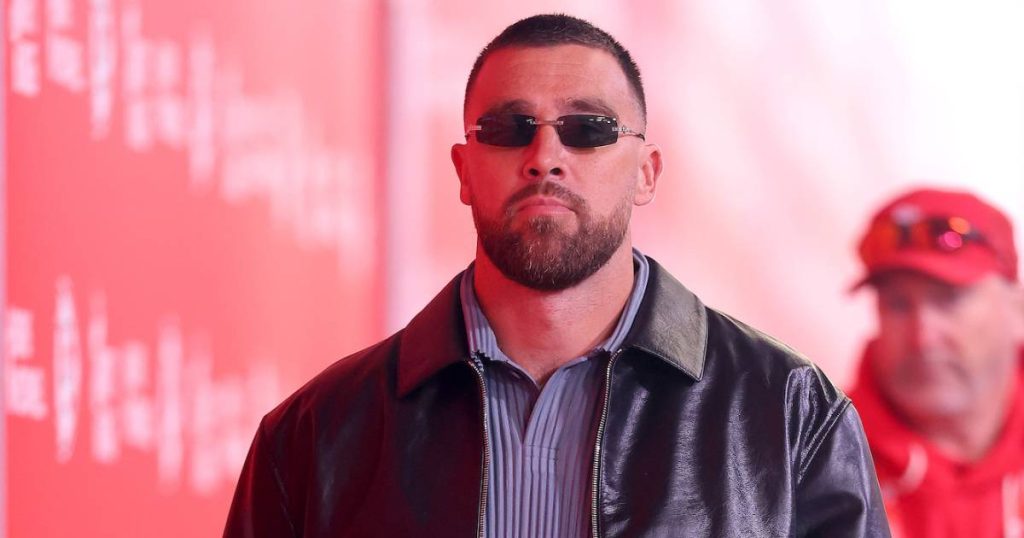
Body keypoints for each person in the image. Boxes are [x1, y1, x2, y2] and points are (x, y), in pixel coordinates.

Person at [225, 14, 887, 537]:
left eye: (588, 129)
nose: (545, 156)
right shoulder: (316, 436)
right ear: (462, 170)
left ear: (647, 172)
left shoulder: (787, 412)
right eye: (508, 128)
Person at [848, 188, 1024, 537]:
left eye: (949, 299)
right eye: (898, 304)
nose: (923, 337)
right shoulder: (813, 464)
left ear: (1018, 309)